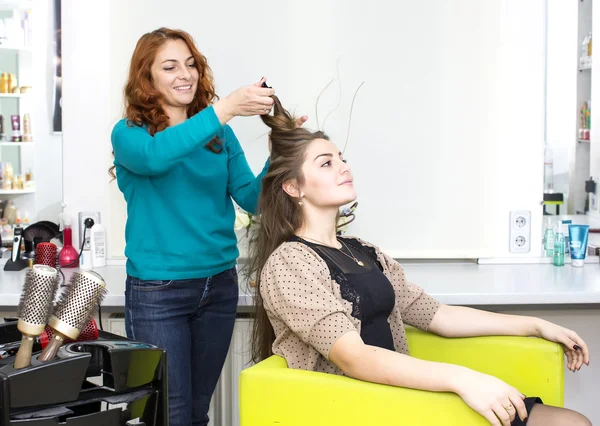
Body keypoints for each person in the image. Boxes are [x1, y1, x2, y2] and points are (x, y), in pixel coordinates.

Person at [248, 95, 592, 426]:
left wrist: (535, 325)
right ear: (294, 188)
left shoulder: (362, 250)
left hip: (404, 399)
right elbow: (353, 357)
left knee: (573, 422)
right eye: (326, 163)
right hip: (366, 410)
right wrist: (462, 379)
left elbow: (439, 316)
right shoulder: (290, 263)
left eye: (342, 158)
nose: (344, 167)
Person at [109, 28, 305, 426]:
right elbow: (155, 158)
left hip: (217, 286)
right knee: (169, 415)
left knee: (197, 412)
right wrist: (226, 107)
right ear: (146, 78)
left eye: (190, 64)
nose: (185, 74)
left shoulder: (220, 135)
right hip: (158, 293)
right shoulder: (130, 135)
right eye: (169, 66)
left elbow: (252, 199)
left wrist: (276, 156)